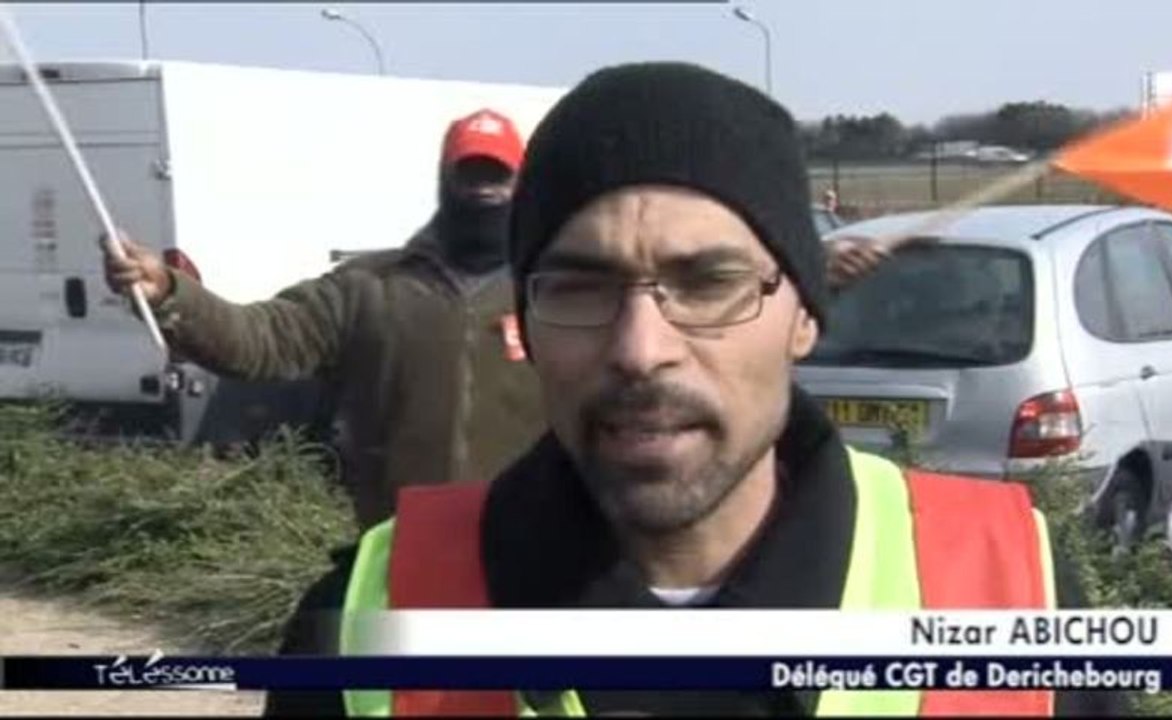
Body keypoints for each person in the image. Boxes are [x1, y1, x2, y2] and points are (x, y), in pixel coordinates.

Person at [267, 63, 1118, 717]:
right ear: (524, 320)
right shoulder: (362, 617)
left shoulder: (1015, 593)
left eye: (709, 282)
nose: (642, 351)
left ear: (803, 316)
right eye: (579, 286)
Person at [102, 108, 545, 532]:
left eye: (497, 174)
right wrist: (169, 291)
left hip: (526, 547)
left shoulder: (552, 292)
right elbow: (259, 340)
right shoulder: (367, 288)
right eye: (470, 173)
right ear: (445, 180)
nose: (483, 189)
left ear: (522, 182)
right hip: (401, 544)